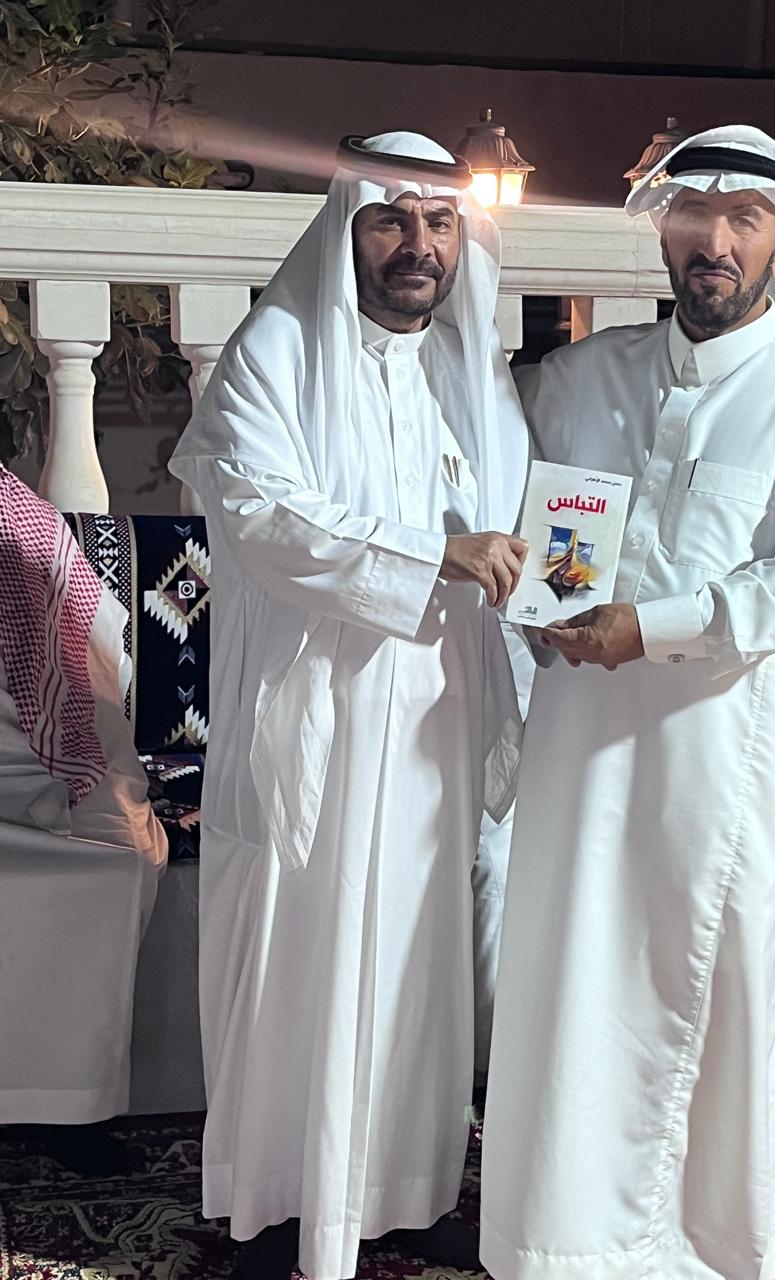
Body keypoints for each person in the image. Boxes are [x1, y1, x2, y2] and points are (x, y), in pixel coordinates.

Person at [479, 125, 775, 1280]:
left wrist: (642, 627)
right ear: (664, 232)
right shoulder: (580, 377)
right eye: (695, 215)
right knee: (569, 978)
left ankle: (691, 1249)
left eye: (743, 220)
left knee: (701, 992)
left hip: (722, 757)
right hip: (581, 745)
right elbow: (513, 504)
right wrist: (538, 605)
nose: (714, 240)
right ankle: (552, 1241)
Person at [168, 131, 529, 1280]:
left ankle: (404, 1191)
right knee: (303, 952)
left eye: (439, 222)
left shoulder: (465, 373)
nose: (418, 244)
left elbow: (520, 530)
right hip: (317, 715)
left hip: (433, 719)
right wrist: (432, 555)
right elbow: (259, 512)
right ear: (347, 229)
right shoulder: (275, 350)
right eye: (391, 219)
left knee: (419, 954)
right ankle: (281, 1205)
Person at [0, 462, 166, 1136]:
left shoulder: (13, 514)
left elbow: (82, 664)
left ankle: (72, 1110)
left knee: (122, 857)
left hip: (47, 759)